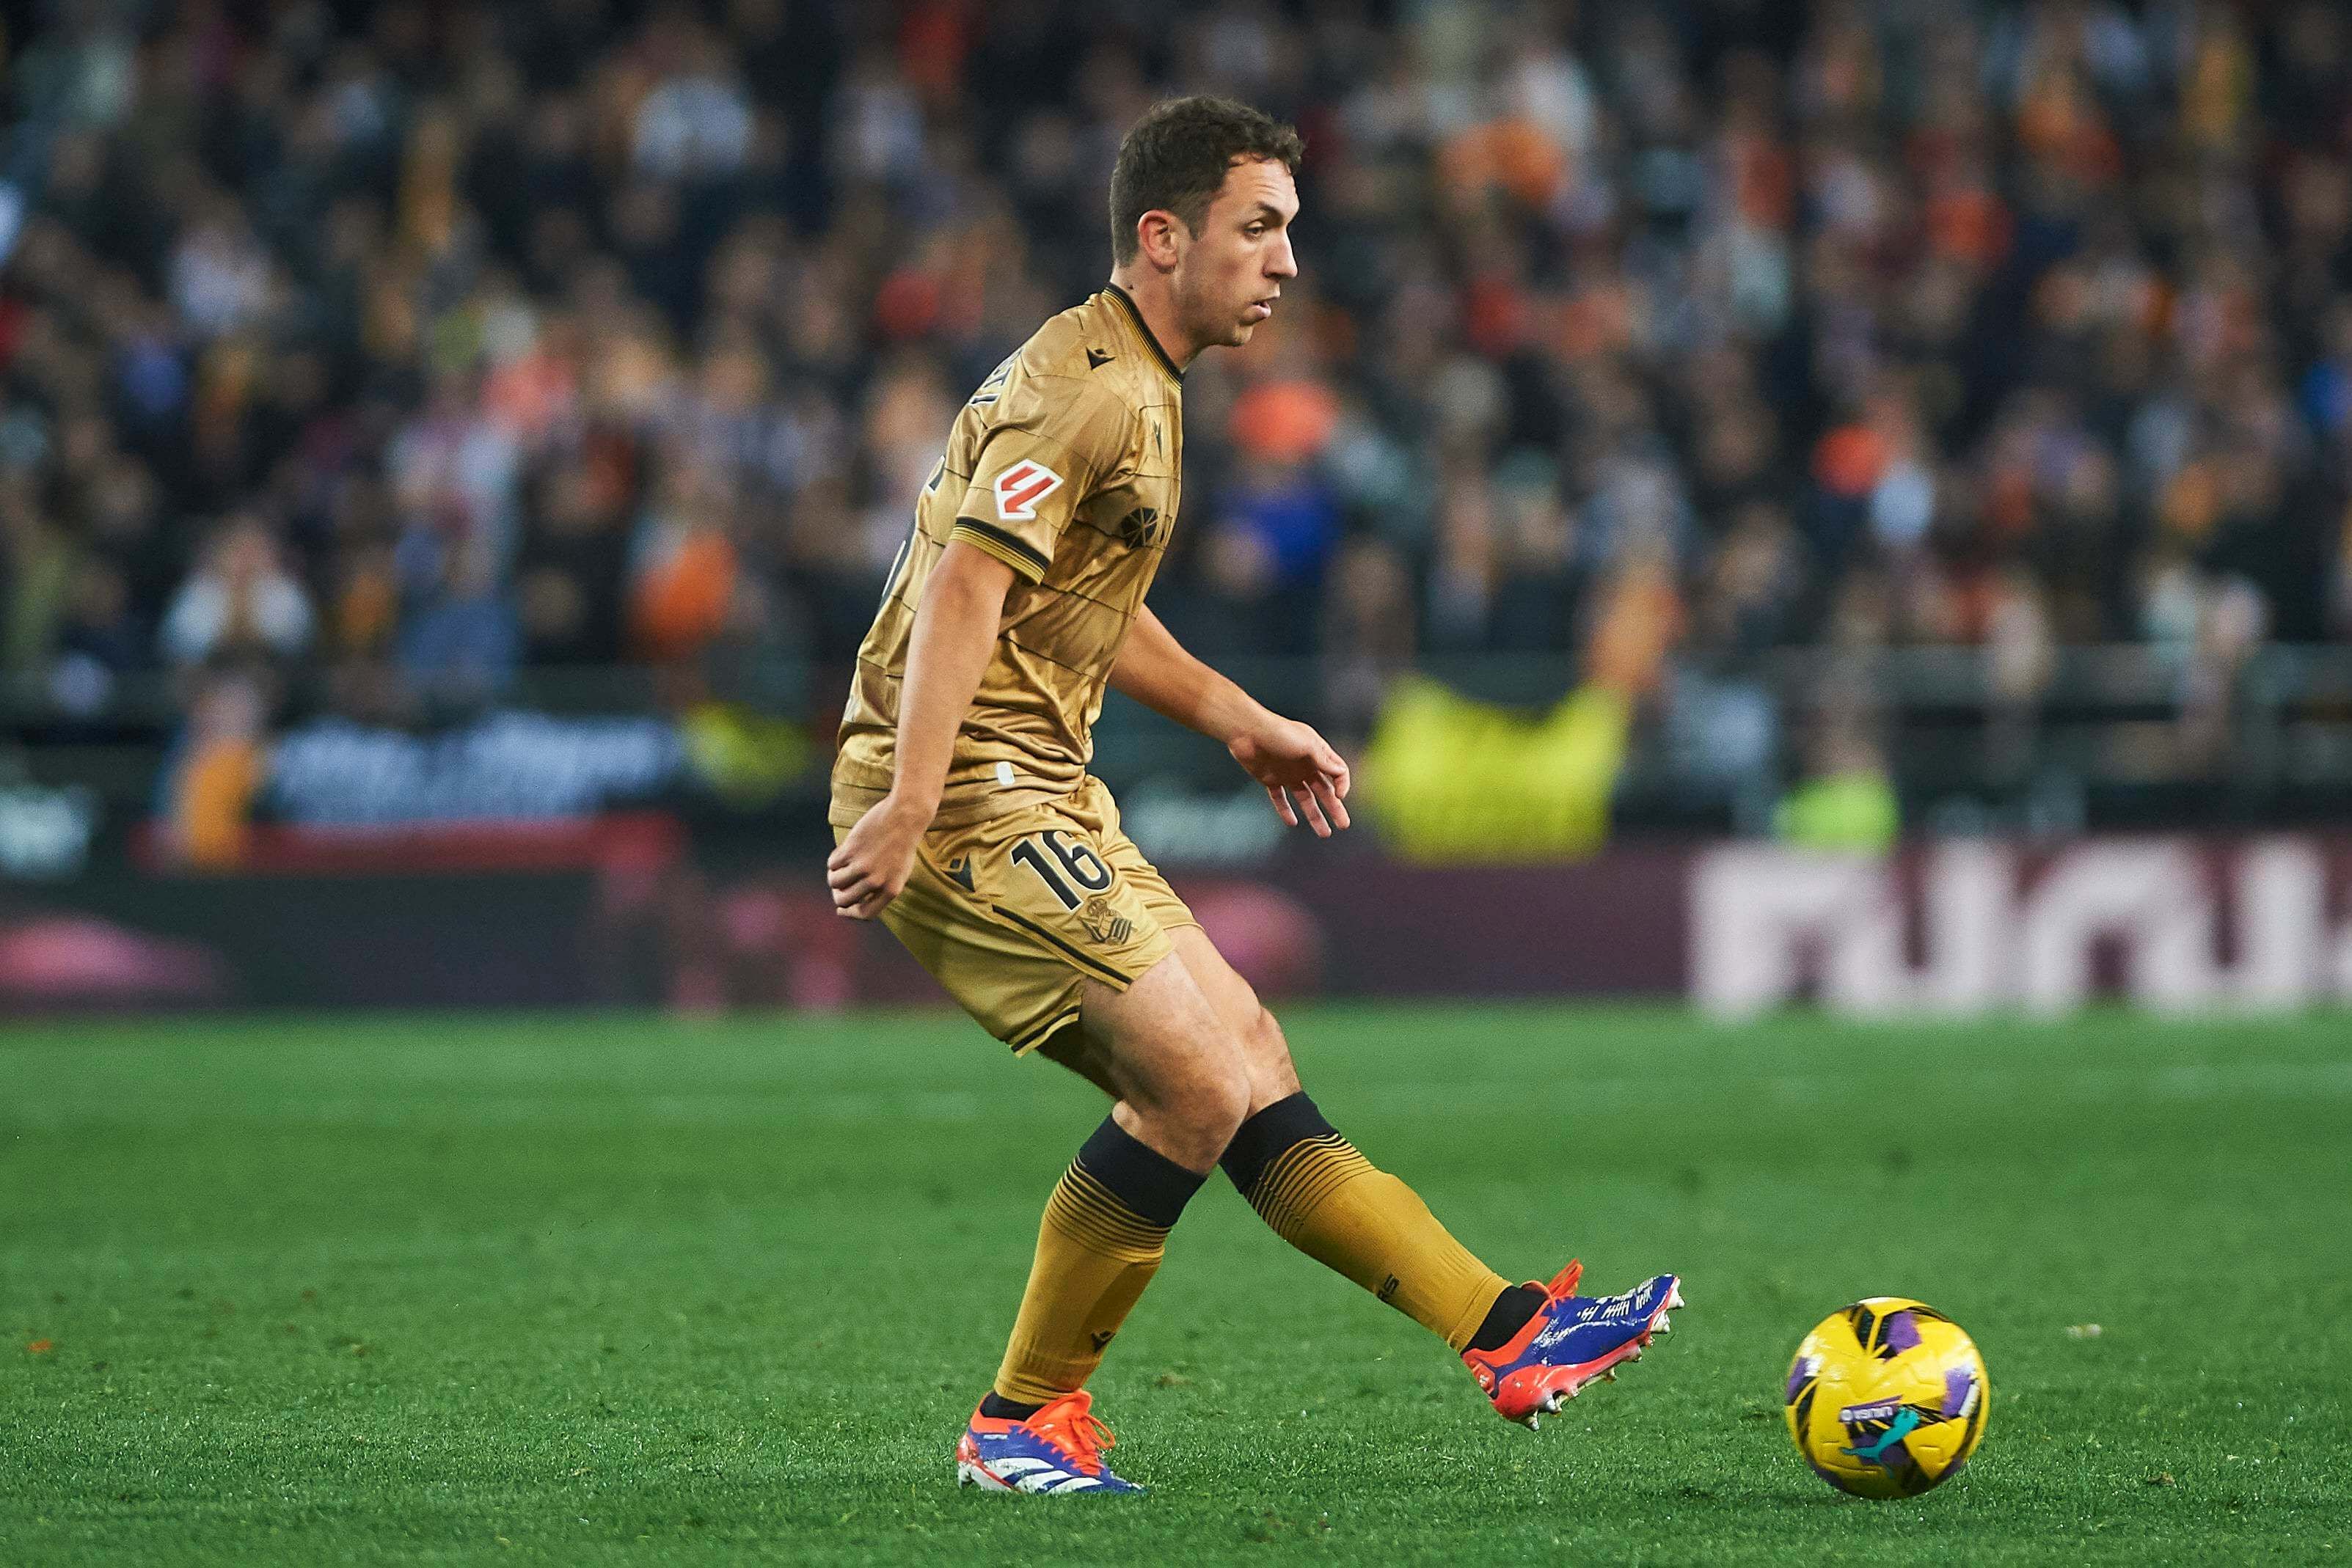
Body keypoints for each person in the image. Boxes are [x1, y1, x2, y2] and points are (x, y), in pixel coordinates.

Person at [825, 95, 1681, 1497]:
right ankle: (1018, 1420)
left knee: (1249, 1059)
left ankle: (1509, 1331)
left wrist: (1243, 719)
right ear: (1164, 237)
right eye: (1259, 228)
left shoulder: (1140, 377)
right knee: (1196, 1082)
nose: (1287, 260)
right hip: (975, 799)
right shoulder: (1089, 388)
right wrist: (914, 798)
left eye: (1290, 228)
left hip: (1042, 784)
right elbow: (969, 585)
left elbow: (1075, 600)